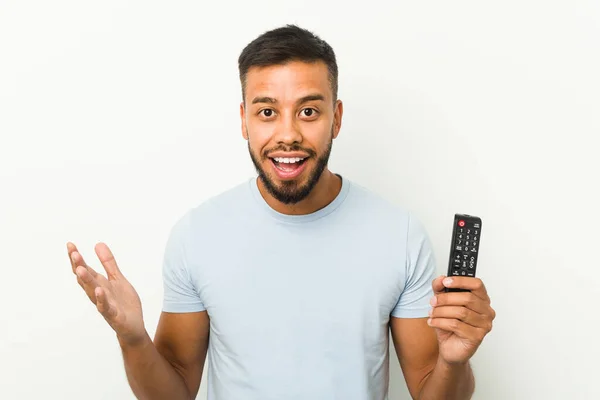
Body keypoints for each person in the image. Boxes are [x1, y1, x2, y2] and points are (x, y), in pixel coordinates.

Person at [67, 24, 496, 400]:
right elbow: (174, 390)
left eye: (308, 111)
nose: (287, 134)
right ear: (244, 121)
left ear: (337, 119)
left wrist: (453, 363)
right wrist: (133, 339)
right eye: (267, 112)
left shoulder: (399, 235)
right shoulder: (198, 235)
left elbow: (431, 389)